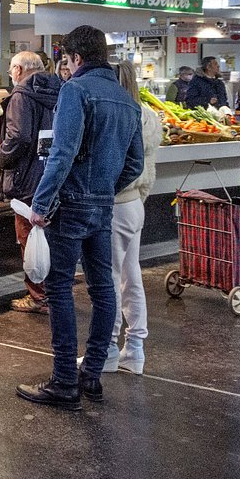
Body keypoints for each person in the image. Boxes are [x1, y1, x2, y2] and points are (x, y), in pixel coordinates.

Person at [18, 26, 143, 411]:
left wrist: (41, 203)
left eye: (66, 62)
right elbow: (135, 163)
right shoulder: (127, 99)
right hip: (103, 204)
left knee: (58, 289)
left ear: (73, 58)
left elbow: (63, 152)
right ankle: (91, 374)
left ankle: (64, 381)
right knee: (103, 288)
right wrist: (103, 187)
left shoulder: (76, 90)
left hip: (69, 205)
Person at [103, 61, 161, 376]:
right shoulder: (148, 117)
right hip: (137, 204)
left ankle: (108, 349)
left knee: (109, 278)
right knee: (131, 275)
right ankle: (135, 350)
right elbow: (148, 169)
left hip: (116, 203)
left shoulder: (119, 117)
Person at [0, 51, 62, 314]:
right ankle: (53, 293)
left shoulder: (21, 96)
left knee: (29, 237)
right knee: (49, 240)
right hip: (51, 175)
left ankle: (37, 296)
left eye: (12, 69)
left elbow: (19, 137)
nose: (11, 74)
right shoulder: (58, 89)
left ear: (19, 70)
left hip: (26, 179)